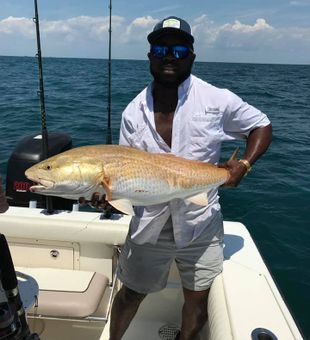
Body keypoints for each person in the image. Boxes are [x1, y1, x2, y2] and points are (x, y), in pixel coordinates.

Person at [108, 16, 272, 340]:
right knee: (130, 294)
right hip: (149, 224)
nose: (169, 55)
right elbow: (123, 168)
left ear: (192, 57)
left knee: (196, 304)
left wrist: (245, 165)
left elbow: (261, 125)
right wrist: (107, 192)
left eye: (179, 49)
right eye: (160, 48)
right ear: (150, 55)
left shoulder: (216, 100)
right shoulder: (132, 112)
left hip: (200, 223)